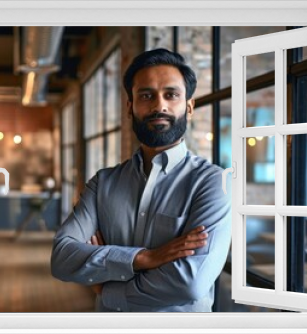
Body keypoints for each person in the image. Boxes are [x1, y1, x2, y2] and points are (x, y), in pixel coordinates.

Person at [51, 48, 231, 312]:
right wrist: (145, 258)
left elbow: (190, 283)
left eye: (171, 95)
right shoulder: (103, 183)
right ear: (130, 106)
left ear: (189, 106)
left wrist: (107, 290)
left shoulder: (214, 183)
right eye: (146, 95)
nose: (159, 105)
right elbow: (61, 258)